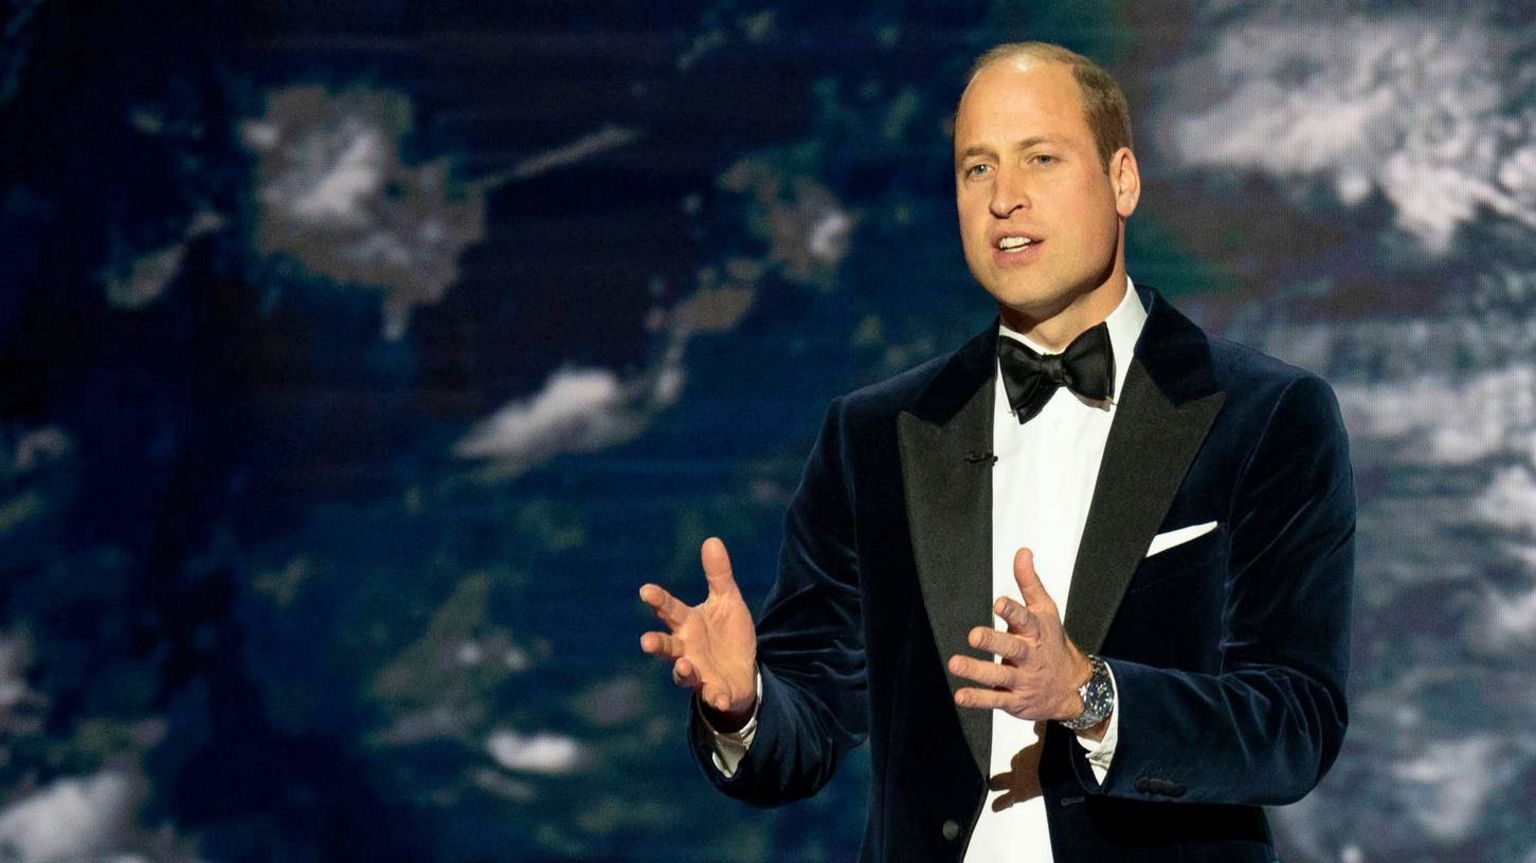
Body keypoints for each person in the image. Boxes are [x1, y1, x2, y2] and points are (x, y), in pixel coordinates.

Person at [639, 41, 1353, 862]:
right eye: (977, 169)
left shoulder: (1265, 417)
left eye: (1039, 159)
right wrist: (744, 705)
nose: (1004, 199)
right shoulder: (874, 435)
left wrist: (1089, 695)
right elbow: (809, 725)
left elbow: (1294, 724)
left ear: (1123, 179)